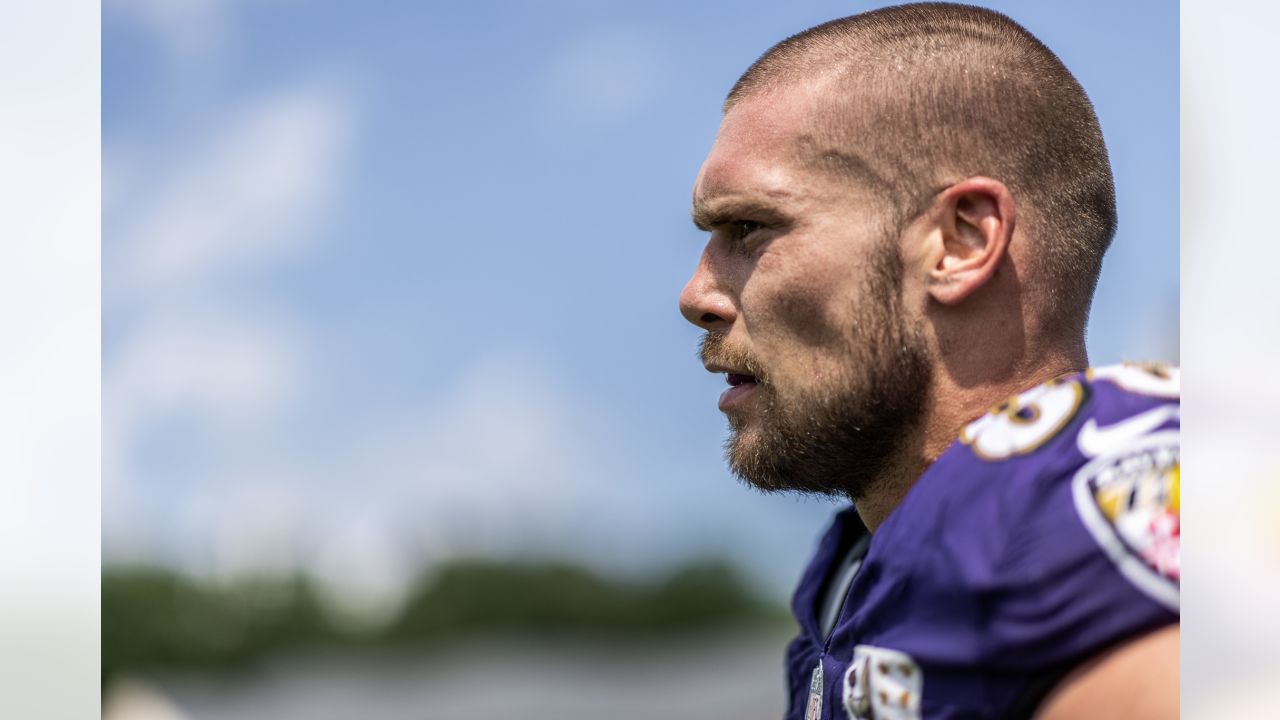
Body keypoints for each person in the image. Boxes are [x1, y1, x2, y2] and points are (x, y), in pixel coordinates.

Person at [678, 4, 1178, 719]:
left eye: (749, 228)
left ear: (961, 242)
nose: (695, 295)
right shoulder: (860, 567)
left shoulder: (1096, 517)